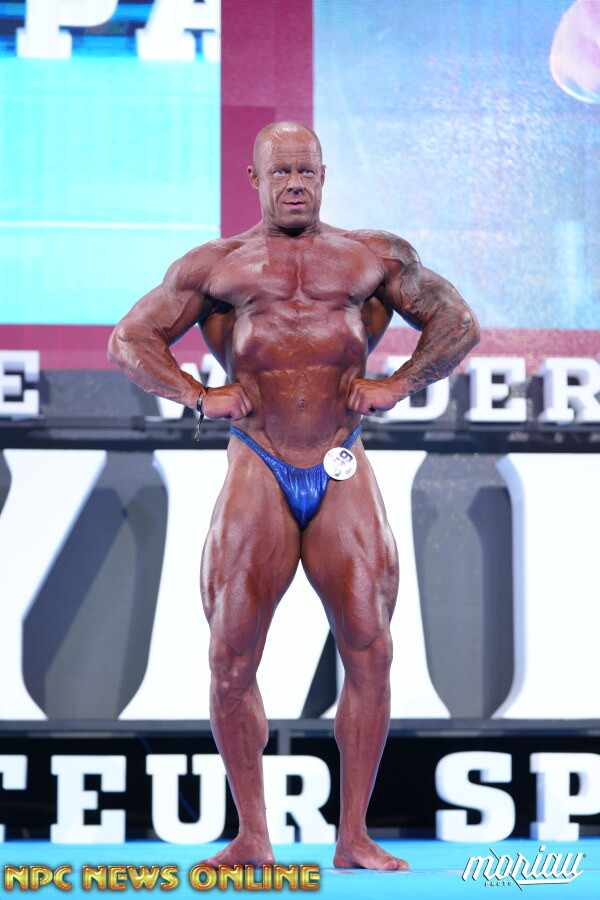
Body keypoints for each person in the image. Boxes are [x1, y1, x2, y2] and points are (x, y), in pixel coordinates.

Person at [108, 121, 479, 870]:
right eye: (281, 172)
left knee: (370, 648)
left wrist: (400, 382)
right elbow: (129, 340)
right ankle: (252, 836)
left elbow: (457, 323)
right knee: (230, 657)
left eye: (307, 170)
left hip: (341, 460)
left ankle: (354, 836)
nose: (296, 183)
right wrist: (196, 394)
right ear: (255, 179)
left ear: (324, 174)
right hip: (258, 460)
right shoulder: (216, 266)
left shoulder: (373, 258)